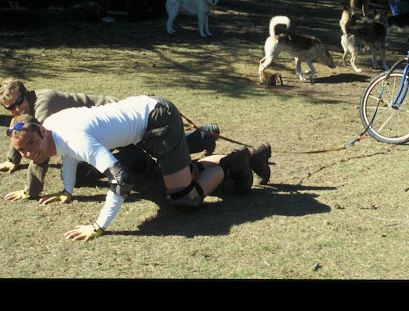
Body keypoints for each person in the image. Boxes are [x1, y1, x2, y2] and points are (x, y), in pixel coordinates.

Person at [7, 97, 272, 241]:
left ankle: (236, 161)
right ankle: (237, 162)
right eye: (22, 151)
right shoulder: (52, 129)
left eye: (32, 144)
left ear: (42, 131)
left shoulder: (72, 137)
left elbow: (121, 178)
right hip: (143, 123)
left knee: (184, 199)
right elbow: (68, 156)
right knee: (186, 177)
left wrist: (98, 226)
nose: (29, 153)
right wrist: (67, 190)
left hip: (158, 119)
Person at [0, 78, 219, 200]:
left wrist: (31, 191)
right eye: (9, 107)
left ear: (25, 93)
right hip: (94, 132)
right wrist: (13, 159)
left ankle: (204, 135)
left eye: (18, 102)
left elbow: (39, 151)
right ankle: (198, 142)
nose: (16, 108)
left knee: (151, 153)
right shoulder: (28, 117)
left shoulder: (43, 106)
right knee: (85, 173)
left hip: (114, 118)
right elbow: (21, 134)